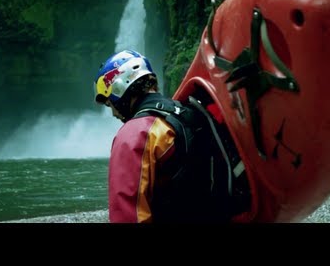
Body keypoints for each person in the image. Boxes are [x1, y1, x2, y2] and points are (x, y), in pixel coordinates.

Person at [94, 49, 248, 223]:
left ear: (119, 88)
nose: (113, 113)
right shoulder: (192, 114)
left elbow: (128, 214)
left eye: (110, 104)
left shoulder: (135, 133)